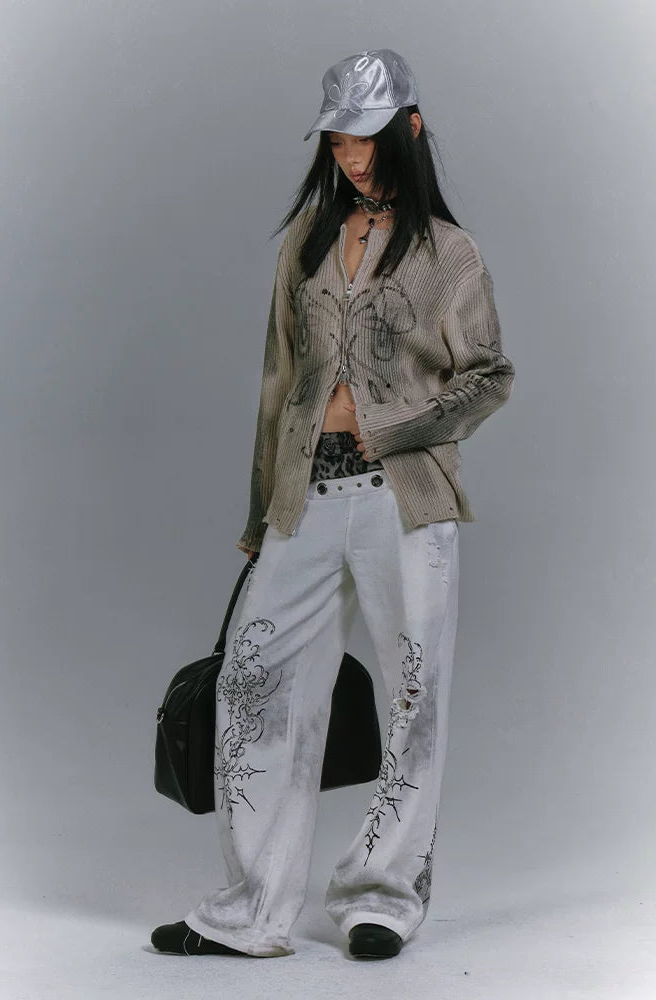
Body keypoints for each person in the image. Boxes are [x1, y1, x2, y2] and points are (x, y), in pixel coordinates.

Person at [151, 47, 515, 961]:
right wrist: (258, 515)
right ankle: (252, 908)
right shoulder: (307, 242)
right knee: (253, 682)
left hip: (405, 503)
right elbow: (277, 386)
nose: (351, 158)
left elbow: (488, 378)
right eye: (338, 141)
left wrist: (384, 422)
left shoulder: (449, 252)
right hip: (304, 496)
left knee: (414, 694)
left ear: (410, 129)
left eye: (367, 138)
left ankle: (380, 897)